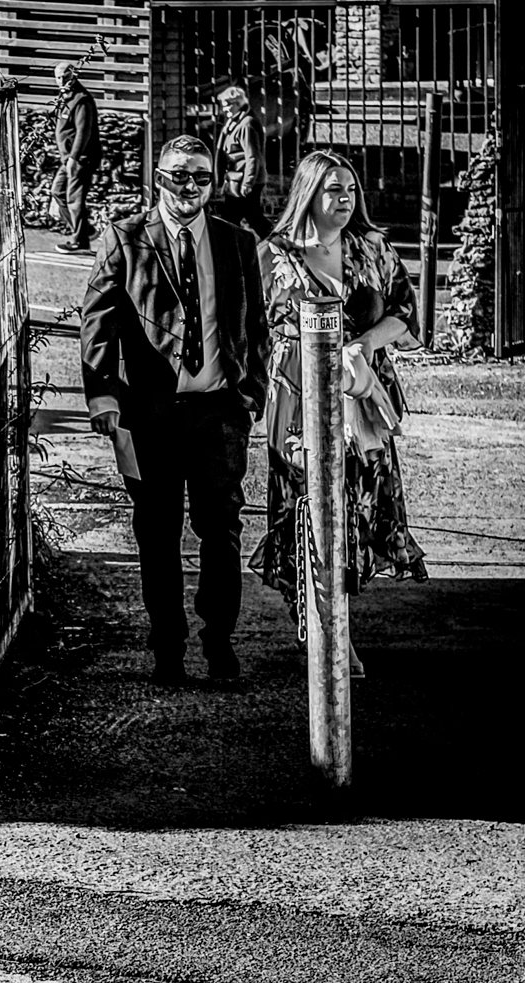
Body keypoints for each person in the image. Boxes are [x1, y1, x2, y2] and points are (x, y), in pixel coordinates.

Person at [79, 135, 270, 685]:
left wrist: (249, 395)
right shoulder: (127, 239)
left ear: (214, 181)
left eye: (200, 176)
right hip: (151, 416)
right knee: (157, 533)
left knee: (221, 529)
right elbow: (98, 323)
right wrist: (104, 395)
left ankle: (220, 644)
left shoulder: (236, 242)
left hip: (218, 413)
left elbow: (254, 324)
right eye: (176, 176)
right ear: (157, 178)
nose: (188, 187)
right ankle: (168, 649)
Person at [252, 150, 427, 676]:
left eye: (351, 188)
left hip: (361, 407)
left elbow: (407, 317)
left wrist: (363, 345)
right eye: (333, 189)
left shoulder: (372, 248)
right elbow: (250, 334)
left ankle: (338, 630)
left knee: (352, 512)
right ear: (308, 192)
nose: (345, 198)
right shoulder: (273, 256)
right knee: (310, 513)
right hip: (298, 400)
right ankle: (327, 636)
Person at [51, 61, 101, 253]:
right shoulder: (65, 96)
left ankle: (80, 242)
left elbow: (83, 132)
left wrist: (73, 158)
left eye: (65, 76)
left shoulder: (82, 100)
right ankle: (85, 231)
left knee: (74, 198)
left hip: (81, 158)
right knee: (58, 191)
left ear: (74, 75)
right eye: (58, 77)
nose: (61, 80)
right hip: (69, 158)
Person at [212, 85, 269, 239]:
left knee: (248, 218)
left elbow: (252, 156)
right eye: (223, 105)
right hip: (237, 179)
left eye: (227, 105)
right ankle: (233, 249)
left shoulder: (246, 124)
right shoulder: (235, 123)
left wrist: (247, 183)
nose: (224, 109)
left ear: (237, 103)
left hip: (245, 181)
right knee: (236, 218)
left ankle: (281, 246)